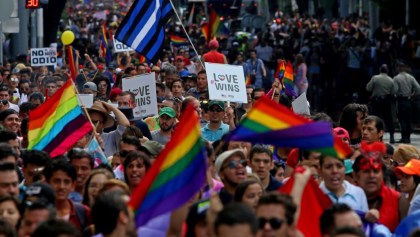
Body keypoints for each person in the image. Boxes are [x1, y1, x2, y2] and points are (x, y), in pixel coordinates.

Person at [353, 141, 408, 232]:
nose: (372, 176)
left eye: (376, 171)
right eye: (366, 171)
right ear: (355, 175)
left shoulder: (398, 200)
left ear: (382, 174)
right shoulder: (346, 198)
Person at [43, 158, 91, 233]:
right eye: (57, 181)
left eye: (66, 182)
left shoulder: (84, 212)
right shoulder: (39, 213)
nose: (61, 187)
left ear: (73, 185)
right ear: (47, 183)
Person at [366, 64, 396, 143]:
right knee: (388, 119)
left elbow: (368, 88)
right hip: (386, 101)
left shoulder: (375, 78)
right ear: (387, 70)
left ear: (380, 70)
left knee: (375, 119)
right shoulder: (390, 80)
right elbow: (393, 92)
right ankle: (392, 137)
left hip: (376, 101)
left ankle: (376, 137)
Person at [393, 61, 420, 143]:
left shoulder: (396, 78)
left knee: (402, 120)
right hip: (409, 100)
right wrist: (413, 95)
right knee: (408, 119)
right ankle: (408, 138)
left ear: (399, 68)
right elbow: (418, 89)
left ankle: (404, 137)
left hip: (401, 101)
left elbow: (394, 91)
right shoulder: (411, 77)